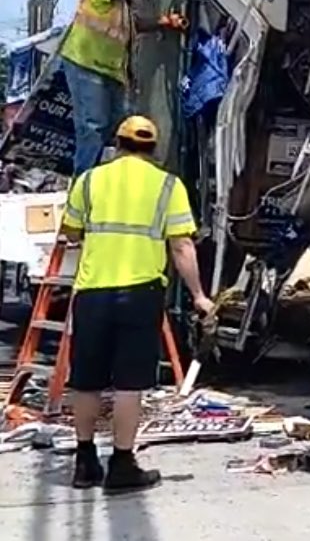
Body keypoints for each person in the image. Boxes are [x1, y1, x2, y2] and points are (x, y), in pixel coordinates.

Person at [59, 115, 215, 494]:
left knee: (86, 380)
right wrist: (198, 296)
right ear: (153, 148)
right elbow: (181, 246)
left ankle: (84, 462)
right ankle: (122, 464)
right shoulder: (168, 185)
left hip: (93, 292)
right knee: (130, 383)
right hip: (141, 294)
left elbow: (70, 232)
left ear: (118, 143)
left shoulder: (90, 180)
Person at [59, 0, 172, 178]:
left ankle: (103, 173)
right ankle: (83, 182)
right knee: (92, 125)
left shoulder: (122, 9)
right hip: (85, 64)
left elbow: (138, 24)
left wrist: (163, 22)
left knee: (118, 124)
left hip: (109, 72)